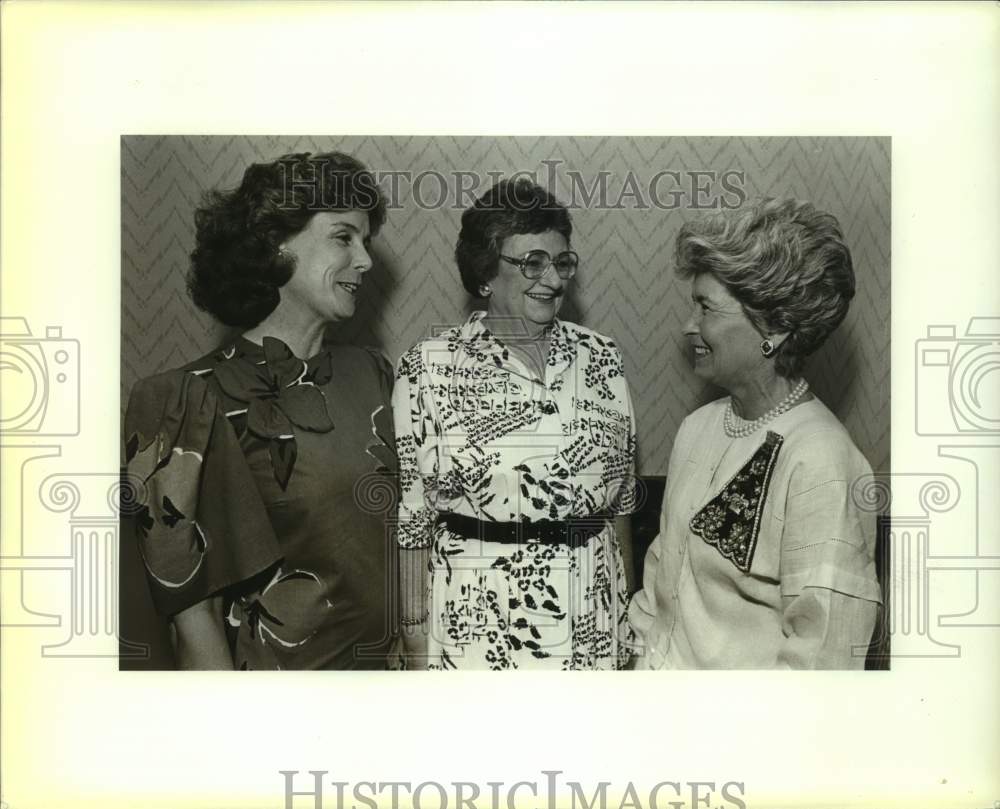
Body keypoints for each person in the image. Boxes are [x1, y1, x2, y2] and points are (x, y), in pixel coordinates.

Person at [122, 151, 396, 670]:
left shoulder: (376, 375)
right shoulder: (187, 398)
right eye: (343, 237)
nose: (365, 260)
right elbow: (189, 611)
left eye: (366, 241)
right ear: (276, 242)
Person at [393, 178, 638, 670]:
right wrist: (416, 637)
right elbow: (414, 518)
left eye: (562, 261)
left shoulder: (602, 356)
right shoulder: (429, 366)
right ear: (485, 273)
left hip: (590, 617)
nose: (552, 278)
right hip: (479, 626)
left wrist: (627, 611)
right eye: (532, 262)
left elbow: (623, 499)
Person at [629, 198, 882, 669]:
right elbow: (661, 582)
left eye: (706, 308)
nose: (690, 326)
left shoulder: (822, 460)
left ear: (776, 327)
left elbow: (822, 659)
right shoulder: (698, 427)